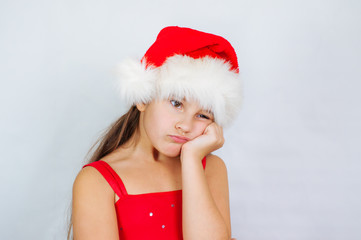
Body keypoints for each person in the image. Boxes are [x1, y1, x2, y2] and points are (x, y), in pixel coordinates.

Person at [69, 26, 243, 240]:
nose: (186, 125)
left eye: (203, 115)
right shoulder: (96, 181)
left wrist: (191, 160)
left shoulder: (211, 169)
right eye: (176, 103)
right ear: (142, 98)